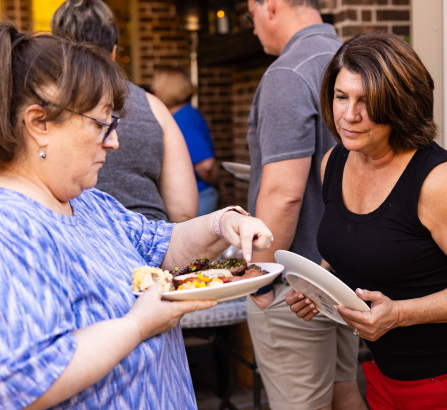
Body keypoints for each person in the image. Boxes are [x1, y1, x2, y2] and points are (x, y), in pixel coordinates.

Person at [0, 22, 273, 410]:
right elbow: (22, 380)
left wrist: (222, 224)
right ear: (38, 123)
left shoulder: (90, 201)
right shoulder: (11, 227)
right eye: (101, 123)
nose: (113, 140)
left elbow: (159, 246)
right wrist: (138, 325)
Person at [286, 31, 447, 409]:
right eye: (341, 97)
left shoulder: (435, 181)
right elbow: (354, 246)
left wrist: (400, 314)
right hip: (383, 377)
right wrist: (320, 290)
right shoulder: (335, 162)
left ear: (401, 105)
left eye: (368, 102)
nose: (349, 115)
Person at [244, 1, 367, 409]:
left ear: (271, 6)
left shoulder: (288, 73)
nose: (253, 24)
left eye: (251, 12)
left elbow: (284, 192)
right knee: (344, 393)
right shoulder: (354, 59)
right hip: (344, 277)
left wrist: (259, 280)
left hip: (294, 285)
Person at [51, 0, 198, 223]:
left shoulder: (45, 108)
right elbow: (184, 211)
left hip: (75, 244)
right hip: (151, 247)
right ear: (114, 52)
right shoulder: (153, 106)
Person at [152, 67, 219, 216]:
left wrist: (216, 184)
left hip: (199, 196)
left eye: (156, 84)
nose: (153, 89)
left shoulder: (185, 118)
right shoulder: (179, 115)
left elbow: (206, 166)